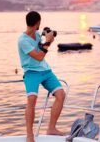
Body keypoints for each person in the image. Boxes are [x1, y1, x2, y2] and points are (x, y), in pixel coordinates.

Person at [17, 11, 66, 142]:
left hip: (45, 70)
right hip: (31, 73)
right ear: (37, 22)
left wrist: (48, 36)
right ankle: (29, 135)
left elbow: (41, 48)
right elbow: (39, 57)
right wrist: (48, 42)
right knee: (31, 100)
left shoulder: (38, 35)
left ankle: (51, 128)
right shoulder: (22, 40)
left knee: (61, 95)